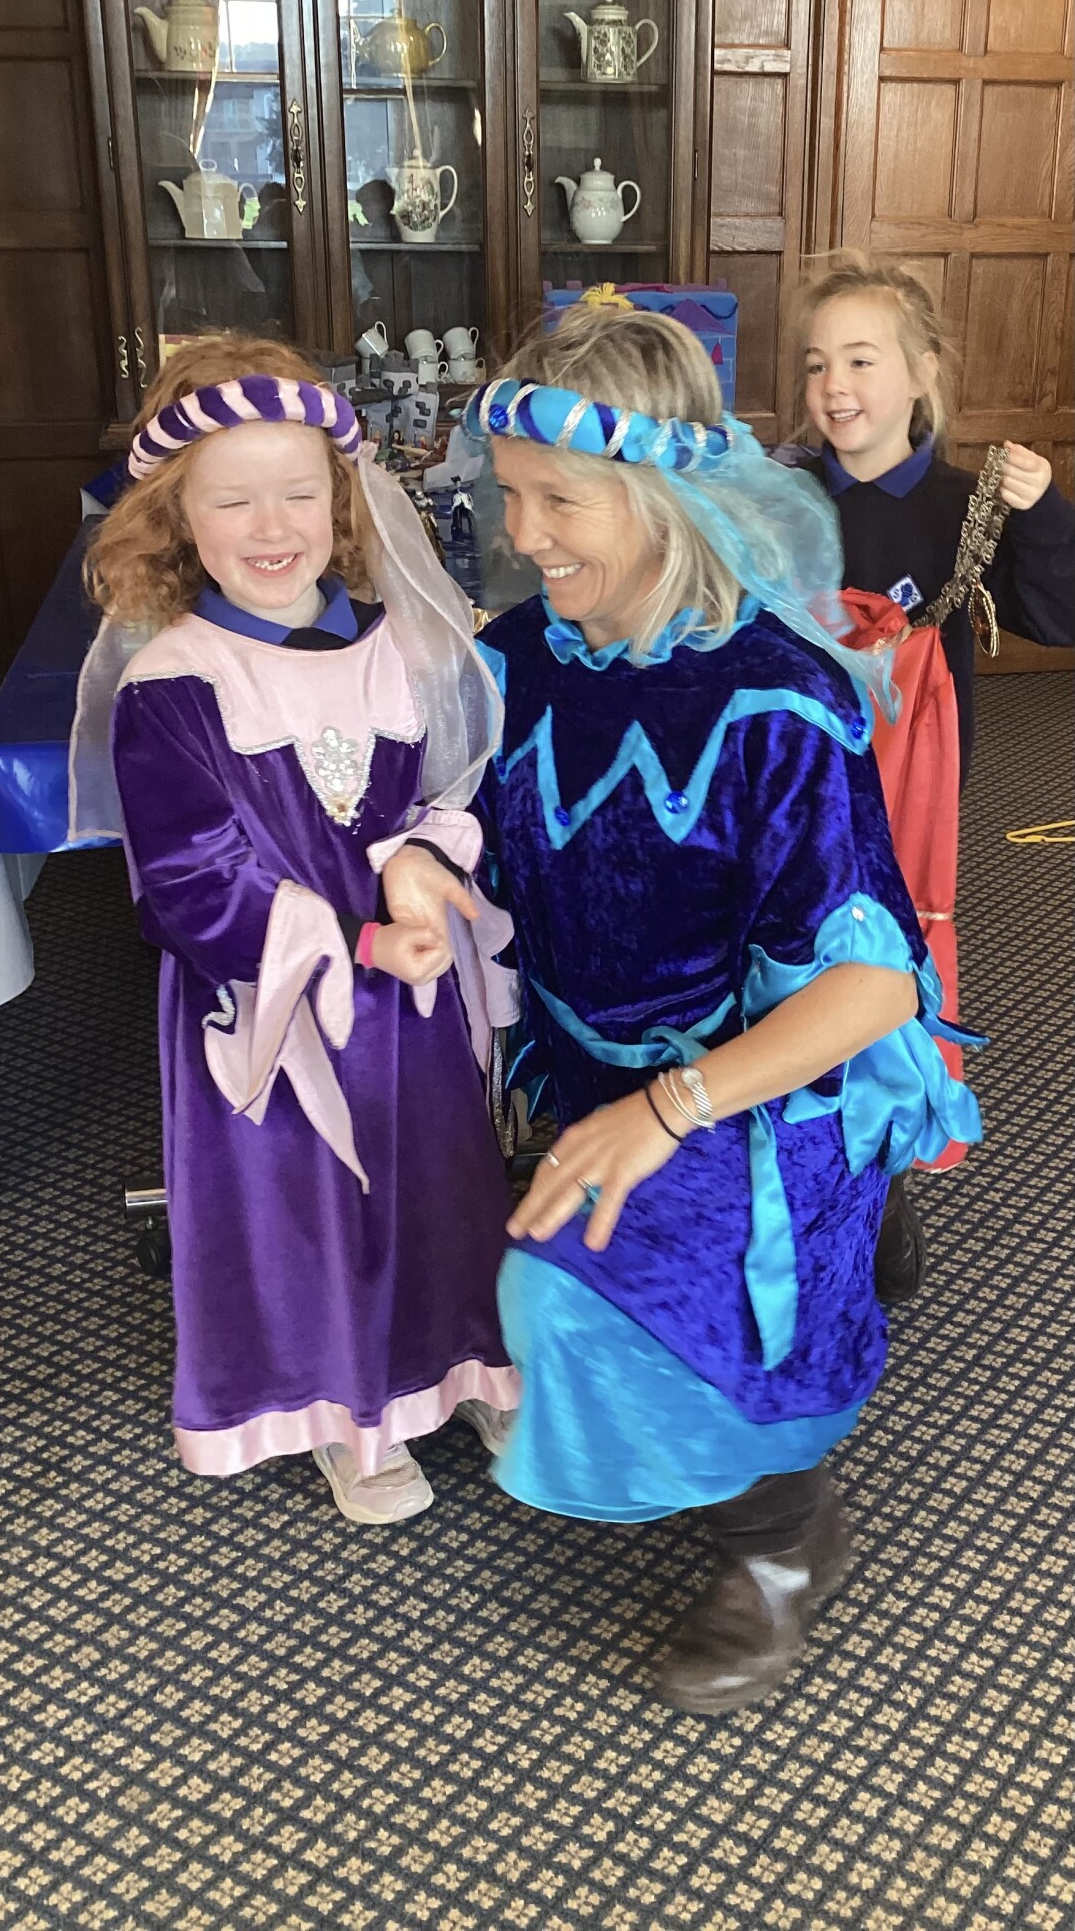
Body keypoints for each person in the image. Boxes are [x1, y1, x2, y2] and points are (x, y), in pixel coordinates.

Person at [397, 306, 980, 1713]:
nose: (522, 534)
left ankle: (784, 1537)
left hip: (760, 1085)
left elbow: (872, 984)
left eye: (560, 502)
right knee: (536, 1258)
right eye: (510, 495)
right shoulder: (518, 657)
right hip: (583, 1064)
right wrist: (425, 868)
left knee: (566, 1292)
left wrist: (670, 1110)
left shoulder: (772, 699)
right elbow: (474, 823)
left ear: (664, 497)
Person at [71, 335, 519, 1524]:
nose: (271, 527)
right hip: (269, 1010)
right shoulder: (177, 679)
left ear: (342, 500)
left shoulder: (400, 644)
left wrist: (423, 860)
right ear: (177, 518)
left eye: (297, 494)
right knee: (305, 1206)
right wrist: (356, 942)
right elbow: (187, 880)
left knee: (439, 1180)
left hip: (410, 997)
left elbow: (452, 787)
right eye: (232, 500)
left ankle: (459, 1363)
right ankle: (343, 1407)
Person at [791, 252, 1074, 1296]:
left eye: (860, 359)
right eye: (815, 362)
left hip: (909, 800)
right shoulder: (781, 498)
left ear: (921, 374)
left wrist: (1042, 513)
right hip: (794, 788)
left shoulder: (967, 505)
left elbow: (1057, 617)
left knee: (889, 980)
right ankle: (799, 1173)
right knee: (788, 971)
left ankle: (881, 1182)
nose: (833, 385)